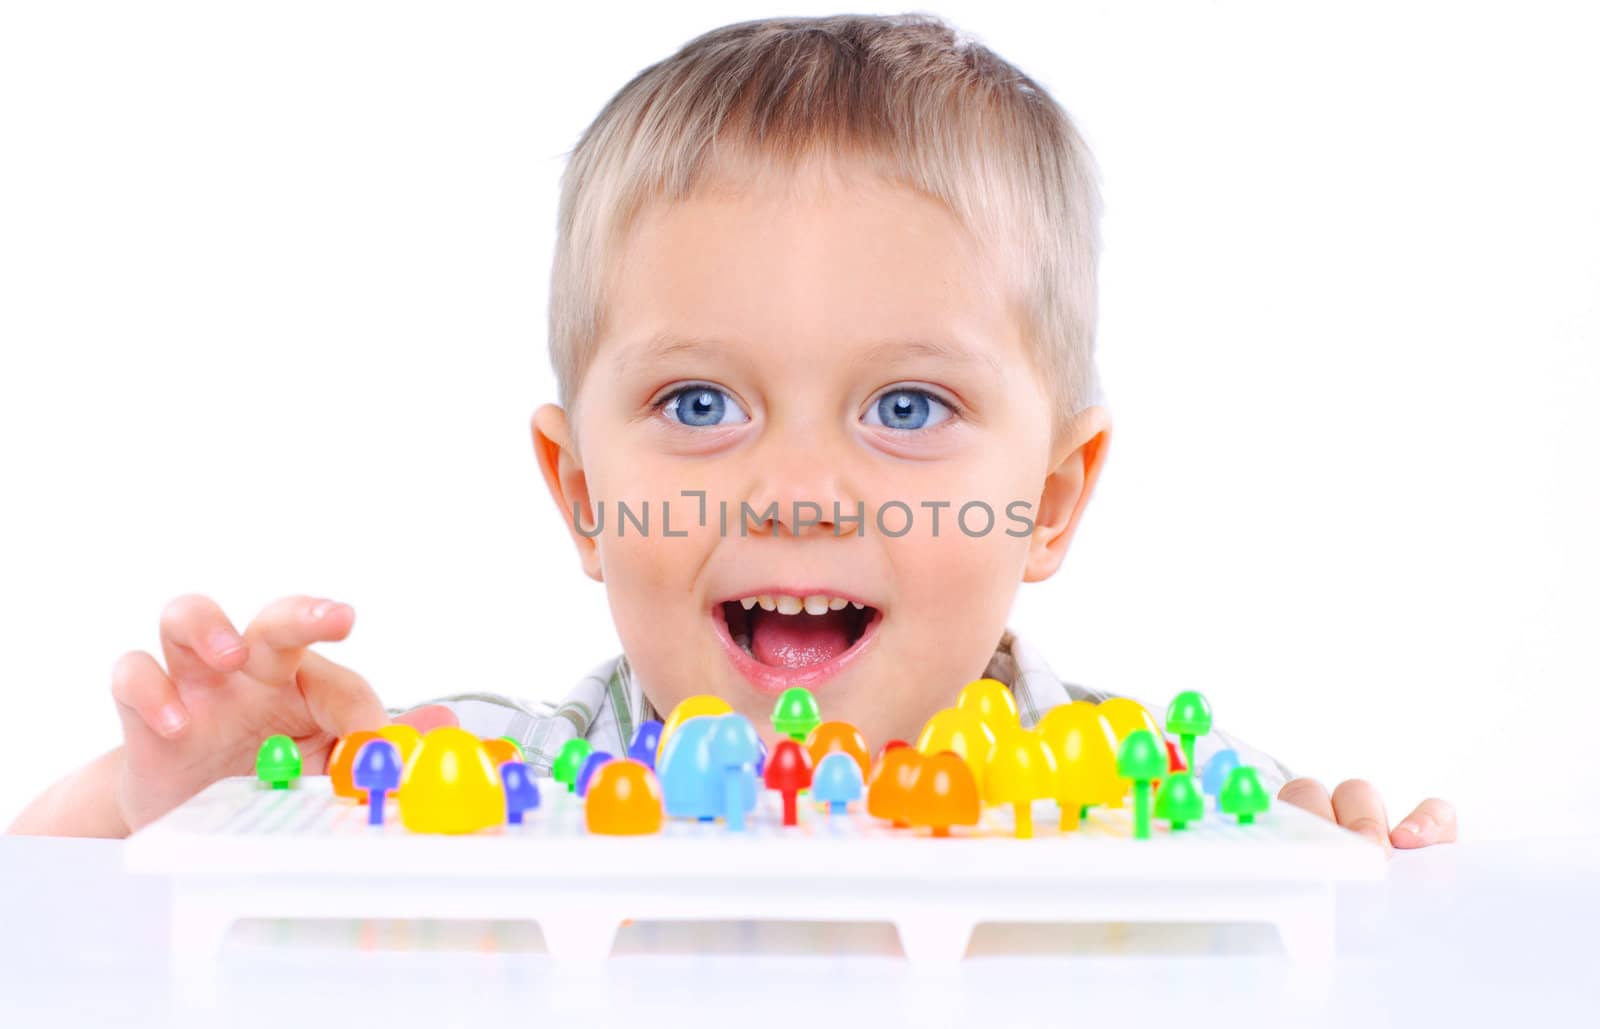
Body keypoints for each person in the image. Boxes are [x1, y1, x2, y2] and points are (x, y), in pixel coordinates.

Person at [8, 13, 1455, 851]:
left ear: (1053, 497)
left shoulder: (1159, 808)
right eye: (699, 404)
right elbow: (42, 905)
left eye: (907, 406)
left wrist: (1366, 881)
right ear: (581, 491)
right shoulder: (495, 783)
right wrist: (168, 815)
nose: (802, 490)